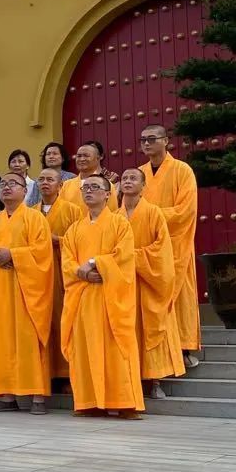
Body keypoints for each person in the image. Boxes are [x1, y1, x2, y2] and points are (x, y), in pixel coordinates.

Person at [61, 175, 144, 418]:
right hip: (83, 297)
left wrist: (95, 262)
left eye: (95, 187)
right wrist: (81, 273)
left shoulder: (120, 225)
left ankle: (125, 403)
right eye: (85, 188)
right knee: (86, 349)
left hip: (111, 299)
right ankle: (89, 402)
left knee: (117, 348)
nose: (89, 191)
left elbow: (125, 256)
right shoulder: (74, 229)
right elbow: (67, 261)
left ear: (108, 194)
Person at [0, 172, 53, 413]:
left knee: (28, 339)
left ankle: (37, 396)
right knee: (1, 341)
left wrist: (14, 255)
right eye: (3, 184)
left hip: (26, 292)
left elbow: (42, 252)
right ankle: (7, 395)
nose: (6, 188)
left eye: (13, 184)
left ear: (25, 190)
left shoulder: (35, 218)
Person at [119, 167, 185, 397]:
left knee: (151, 327)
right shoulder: (114, 217)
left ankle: (155, 380)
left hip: (148, 282)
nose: (127, 181)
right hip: (123, 283)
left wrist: (131, 257)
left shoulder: (153, 213)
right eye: (124, 178)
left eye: (133, 178)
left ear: (143, 186)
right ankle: (129, 378)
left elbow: (161, 249)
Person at [139, 125, 201, 367]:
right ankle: (154, 350)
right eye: (143, 140)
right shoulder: (140, 172)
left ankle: (183, 347)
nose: (146, 143)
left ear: (166, 141)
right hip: (147, 246)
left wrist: (150, 216)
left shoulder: (182, 171)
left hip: (175, 244)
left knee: (180, 295)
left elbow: (186, 211)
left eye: (152, 139)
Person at [35, 167, 83, 384]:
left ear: (60, 185)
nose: (45, 183)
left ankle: (65, 373)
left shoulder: (72, 210)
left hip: (62, 273)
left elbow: (81, 241)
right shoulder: (31, 212)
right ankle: (44, 372)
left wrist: (59, 241)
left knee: (62, 319)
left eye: (50, 179)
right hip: (36, 276)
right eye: (42, 179)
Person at [58, 141, 119, 210]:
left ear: (98, 158)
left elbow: (112, 213)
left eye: (86, 156)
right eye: (79, 156)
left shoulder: (107, 185)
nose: (82, 159)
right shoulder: (66, 185)